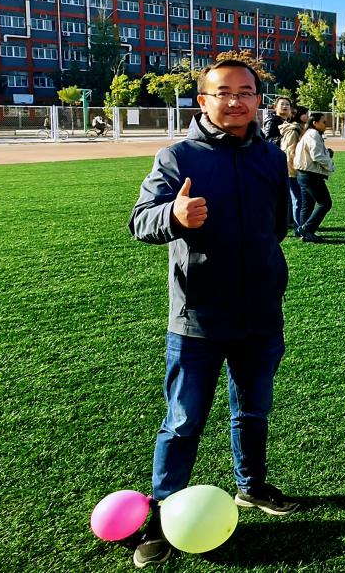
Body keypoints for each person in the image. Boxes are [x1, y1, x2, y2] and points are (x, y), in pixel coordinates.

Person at [128, 58, 298, 567]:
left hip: (261, 314)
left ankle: (252, 485)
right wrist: (174, 216)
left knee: (253, 410)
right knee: (183, 421)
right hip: (197, 318)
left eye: (246, 92)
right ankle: (164, 513)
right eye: (223, 92)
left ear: (258, 100)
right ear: (203, 101)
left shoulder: (271, 157)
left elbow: (278, 226)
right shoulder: (177, 156)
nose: (236, 101)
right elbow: (140, 221)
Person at [294, 112, 335, 243]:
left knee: (307, 205)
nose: (325, 125)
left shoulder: (309, 133)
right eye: (323, 122)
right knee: (325, 203)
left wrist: (327, 153)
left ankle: (304, 232)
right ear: (315, 123)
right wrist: (330, 165)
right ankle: (306, 229)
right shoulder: (313, 134)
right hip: (311, 175)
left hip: (304, 174)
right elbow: (317, 155)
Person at [279, 106, 309, 234]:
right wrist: (295, 169)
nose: (308, 116)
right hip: (293, 171)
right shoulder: (293, 130)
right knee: (298, 199)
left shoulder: (300, 128)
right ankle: (298, 228)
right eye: (306, 114)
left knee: (299, 199)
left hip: (297, 169)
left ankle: (300, 225)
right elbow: (289, 151)